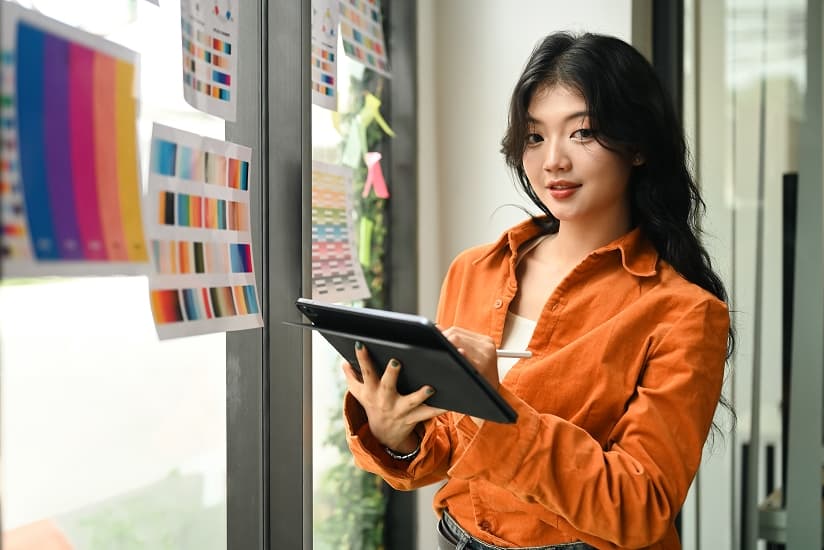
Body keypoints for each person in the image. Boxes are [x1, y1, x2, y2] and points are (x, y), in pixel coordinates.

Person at [341, 31, 733, 550]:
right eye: (534, 137)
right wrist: (395, 434)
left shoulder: (684, 313)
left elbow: (640, 508)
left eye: (583, 133)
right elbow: (446, 452)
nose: (553, 161)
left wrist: (496, 409)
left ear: (636, 146)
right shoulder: (472, 271)